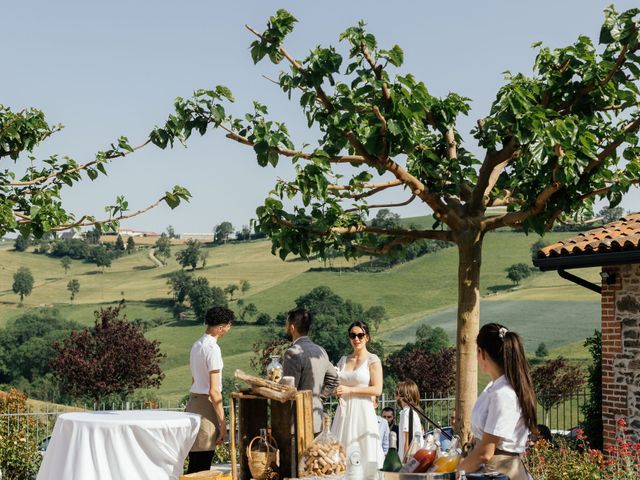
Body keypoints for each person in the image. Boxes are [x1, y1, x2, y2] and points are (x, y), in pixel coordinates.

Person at [457, 323, 536, 480]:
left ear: (482, 353)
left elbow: (485, 453)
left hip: (499, 472)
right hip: (487, 472)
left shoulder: (504, 394)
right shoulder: (493, 388)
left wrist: (452, 473)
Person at [331, 321, 384, 478]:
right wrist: (337, 390)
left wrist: (351, 390)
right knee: (341, 454)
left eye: (360, 335)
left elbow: (377, 389)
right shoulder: (343, 360)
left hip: (363, 413)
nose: (356, 339)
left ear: (367, 337)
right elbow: (337, 384)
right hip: (344, 413)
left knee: (364, 453)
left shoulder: (373, 360)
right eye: (353, 335)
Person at [184, 306, 234, 474]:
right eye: (228, 325)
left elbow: (194, 379)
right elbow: (214, 391)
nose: (229, 329)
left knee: (195, 463)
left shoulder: (196, 345)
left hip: (192, 404)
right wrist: (222, 423)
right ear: (221, 328)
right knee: (201, 466)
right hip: (206, 407)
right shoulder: (212, 349)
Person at [282, 308, 339, 434]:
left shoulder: (292, 352)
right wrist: (319, 398)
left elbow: (288, 390)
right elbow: (334, 379)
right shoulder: (321, 351)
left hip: (296, 421)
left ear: (292, 328)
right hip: (317, 419)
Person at [395, 380, 424, 461]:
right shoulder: (412, 412)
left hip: (409, 458)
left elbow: (407, 439)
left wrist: (405, 461)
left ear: (405, 396)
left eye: (397, 393)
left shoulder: (407, 413)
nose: (395, 397)